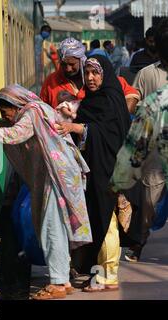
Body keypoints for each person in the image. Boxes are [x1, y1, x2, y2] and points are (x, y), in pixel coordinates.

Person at [0, 84, 92, 300]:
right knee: (57, 226)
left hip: (55, 176)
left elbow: (18, 134)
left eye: (5, 111)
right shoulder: (38, 108)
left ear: (15, 104)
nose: (7, 116)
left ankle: (57, 283)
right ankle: (63, 279)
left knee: (51, 228)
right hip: (61, 173)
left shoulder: (32, 112)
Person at [55, 55, 131, 292]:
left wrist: (74, 126)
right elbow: (90, 119)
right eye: (86, 73)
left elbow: (105, 131)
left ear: (105, 74)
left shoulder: (110, 99)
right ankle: (99, 272)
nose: (90, 78)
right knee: (98, 219)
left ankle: (108, 276)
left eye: (95, 73)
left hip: (109, 170)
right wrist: (73, 114)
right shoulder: (92, 100)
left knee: (106, 220)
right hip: (96, 169)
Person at [111, 18, 168, 262]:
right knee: (149, 202)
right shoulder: (147, 74)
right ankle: (140, 242)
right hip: (155, 152)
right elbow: (132, 103)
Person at [40, 38, 139, 112]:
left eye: (72, 64)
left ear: (81, 60)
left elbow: (131, 95)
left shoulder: (98, 76)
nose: (68, 69)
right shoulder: (51, 82)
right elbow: (42, 111)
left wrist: (114, 117)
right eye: (63, 64)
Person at [35, 25, 52, 93]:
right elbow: (37, 53)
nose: (47, 34)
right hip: (37, 62)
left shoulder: (39, 38)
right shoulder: (39, 39)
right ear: (42, 31)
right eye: (46, 32)